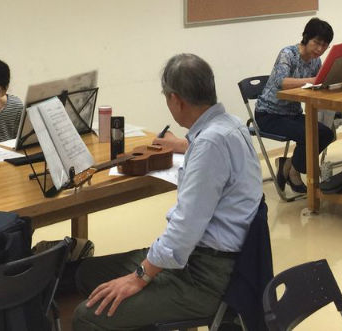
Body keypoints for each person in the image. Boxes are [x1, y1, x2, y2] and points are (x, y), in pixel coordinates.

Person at [73, 54, 262, 330]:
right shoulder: (230, 125)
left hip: (205, 277)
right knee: (86, 272)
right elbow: (211, 154)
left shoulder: (210, 145)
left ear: (176, 100)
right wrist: (183, 145)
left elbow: (183, 233)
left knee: (85, 316)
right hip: (213, 260)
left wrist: (139, 277)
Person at [253, 17, 336, 194]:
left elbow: (317, 85)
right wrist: (313, 80)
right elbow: (281, 82)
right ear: (306, 37)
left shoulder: (316, 61)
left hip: (292, 113)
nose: (320, 49)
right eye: (316, 43)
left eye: (324, 46)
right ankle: (294, 172)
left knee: (327, 134)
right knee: (309, 134)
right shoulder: (288, 54)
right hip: (269, 114)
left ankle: (289, 165)